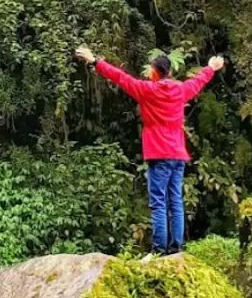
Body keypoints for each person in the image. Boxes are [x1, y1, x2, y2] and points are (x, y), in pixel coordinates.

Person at [75, 44, 225, 257]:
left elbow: (120, 77)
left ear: (155, 72)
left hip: (158, 153)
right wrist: (211, 68)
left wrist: (94, 61)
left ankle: (157, 251)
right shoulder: (180, 90)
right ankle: (176, 249)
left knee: (158, 202)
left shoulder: (147, 90)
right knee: (175, 201)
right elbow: (197, 81)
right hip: (178, 154)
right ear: (170, 72)